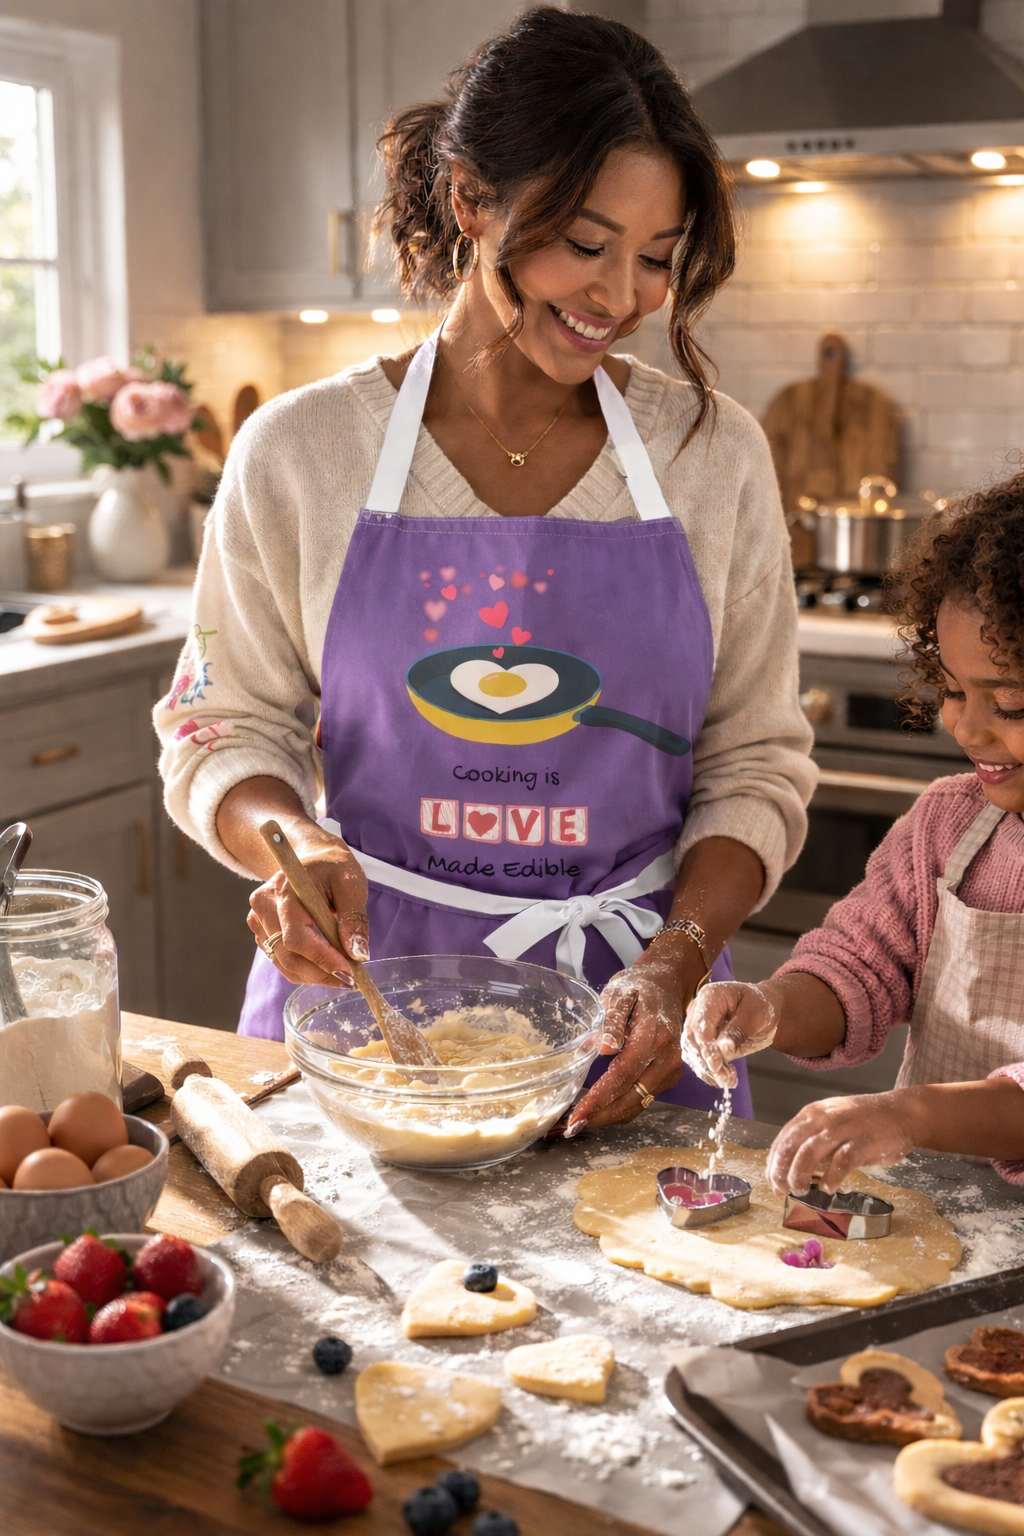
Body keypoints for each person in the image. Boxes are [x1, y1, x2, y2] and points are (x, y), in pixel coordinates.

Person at [156, 7, 814, 1132]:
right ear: (470, 200)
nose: (620, 297)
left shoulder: (711, 456)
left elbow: (755, 761)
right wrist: (297, 840)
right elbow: (221, 725)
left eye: (657, 259)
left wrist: (682, 956)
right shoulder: (305, 452)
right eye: (585, 242)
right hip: (358, 1027)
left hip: (632, 1020)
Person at [683, 473, 1024, 1188]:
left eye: (1010, 704)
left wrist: (910, 1115)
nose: (964, 726)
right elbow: (859, 966)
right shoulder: (950, 825)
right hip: (950, 1229)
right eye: (953, 691)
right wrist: (774, 1006)